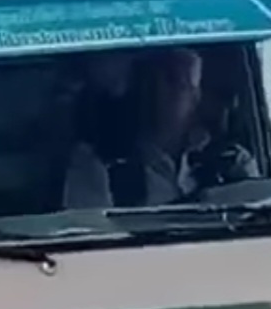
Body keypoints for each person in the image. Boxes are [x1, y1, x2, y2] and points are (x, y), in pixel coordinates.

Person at [63, 47, 257, 209]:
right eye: (152, 78)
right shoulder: (98, 163)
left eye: (175, 81)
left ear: (195, 96)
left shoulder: (232, 161)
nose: (160, 90)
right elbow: (91, 240)